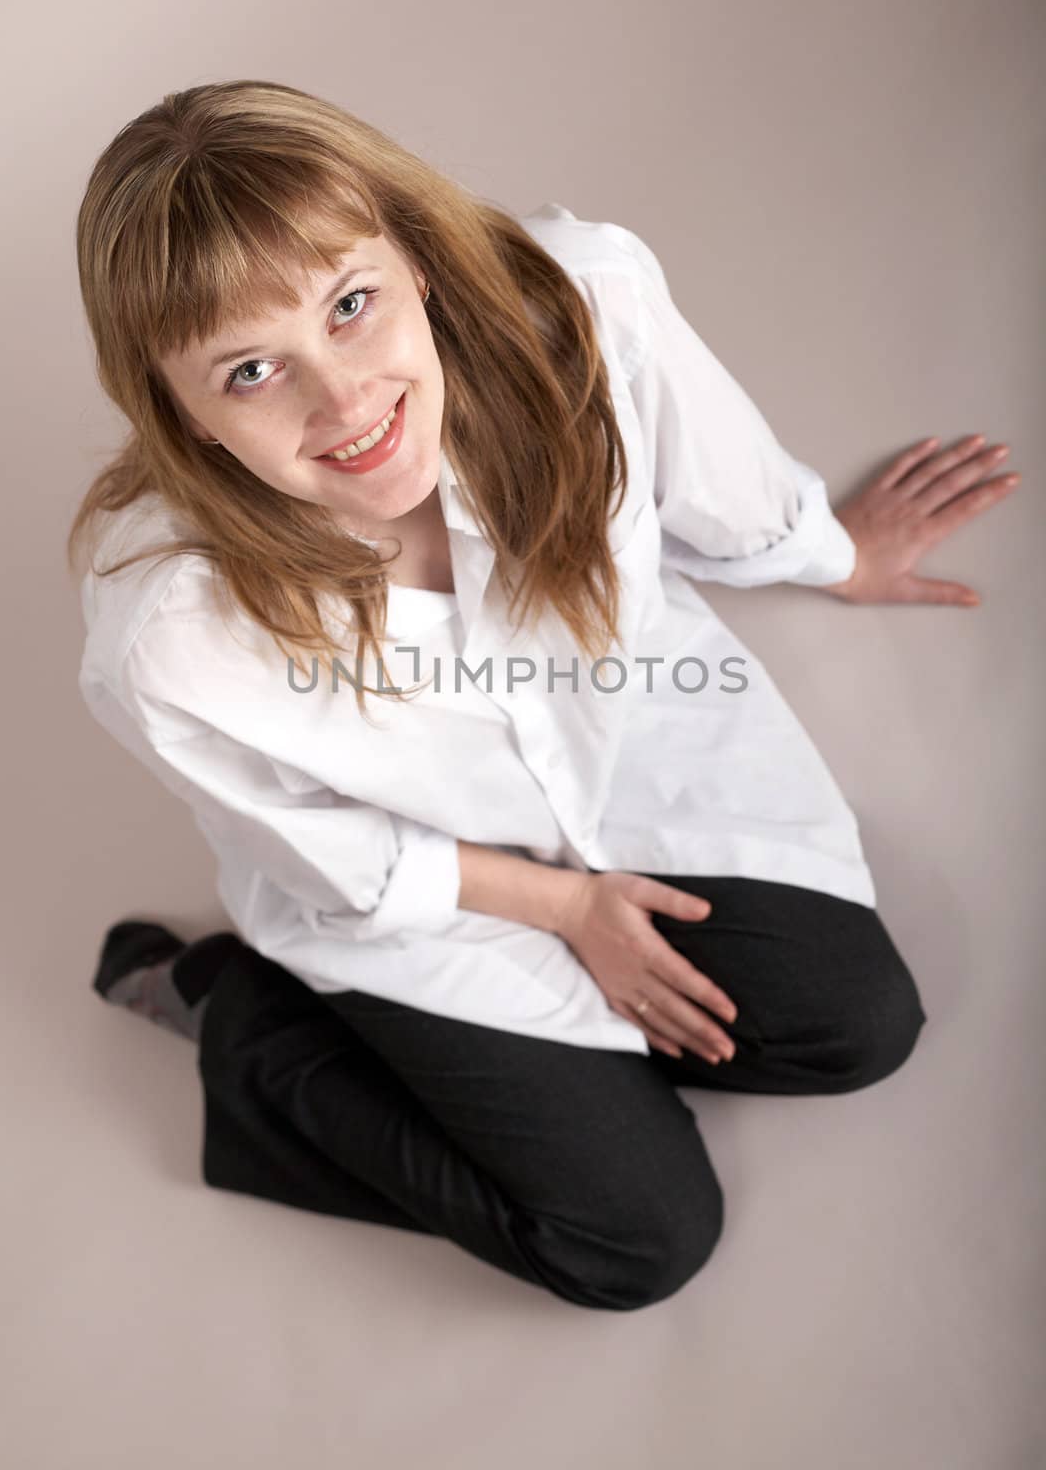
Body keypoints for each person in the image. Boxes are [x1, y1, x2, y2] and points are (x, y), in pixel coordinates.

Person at [71, 80, 1019, 1312]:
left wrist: (835, 552)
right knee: (639, 1241)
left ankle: (546, 1090)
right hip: (432, 889)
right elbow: (329, 851)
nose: (343, 401)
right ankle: (238, 1020)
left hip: (629, 759)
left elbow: (711, 472)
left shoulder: (579, 302)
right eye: (252, 370)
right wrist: (565, 910)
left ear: (411, 258)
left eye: (350, 305)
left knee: (858, 1026)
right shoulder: (165, 630)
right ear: (182, 416)